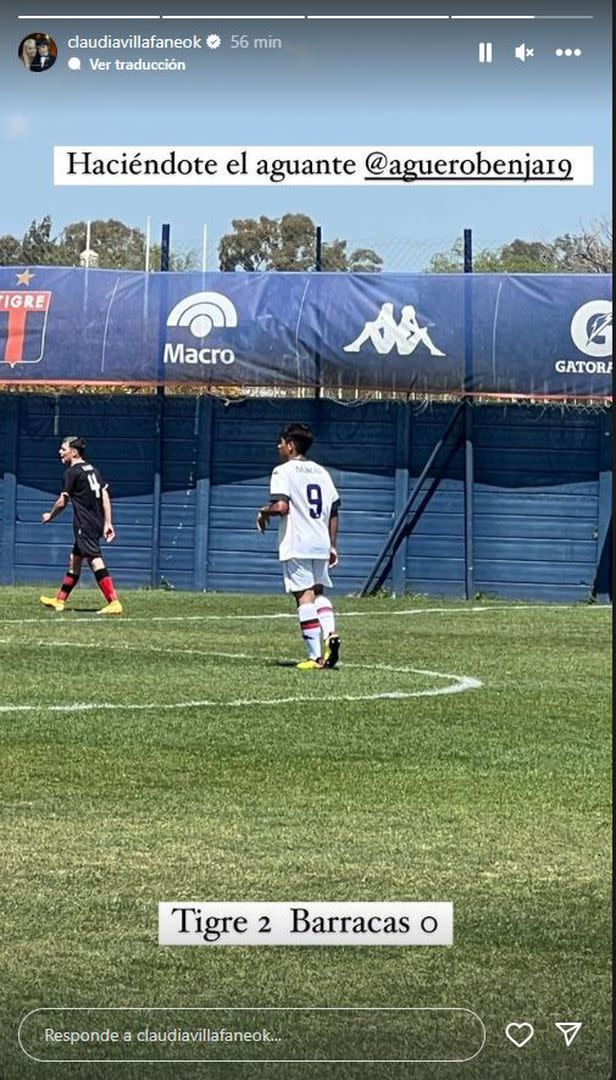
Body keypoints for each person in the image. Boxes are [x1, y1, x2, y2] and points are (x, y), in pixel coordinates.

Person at [257, 423, 341, 670]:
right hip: (320, 542)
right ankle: (331, 634)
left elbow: (282, 507)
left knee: (303, 597)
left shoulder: (282, 471)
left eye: (281, 442)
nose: (278, 446)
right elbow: (334, 510)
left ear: (291, 445)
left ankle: (315, 657)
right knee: (318, 593)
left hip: (298, 542)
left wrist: (263, 512)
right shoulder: (321, 472)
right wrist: (332, 546)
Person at [39, 436, 122, 615]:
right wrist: (108, 522)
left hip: (85, 524)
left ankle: (114, 602)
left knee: (94, 559)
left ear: (74, 452)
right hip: (95, 522)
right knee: (75, 559)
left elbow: (62, 501)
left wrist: (50, 516)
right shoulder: (93, 470)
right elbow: (105, 496)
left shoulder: (72, 472)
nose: (60, 452)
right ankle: (60, 600)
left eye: (63, 449)